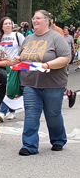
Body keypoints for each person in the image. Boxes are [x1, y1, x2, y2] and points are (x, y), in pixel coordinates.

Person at [13, 10, 71, 156]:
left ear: (47, 21)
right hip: (30, 83)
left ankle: (58, 139)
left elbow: (65, 58)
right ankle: (29, 145)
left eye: (38, 18)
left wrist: (47, 65)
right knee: (31, 115)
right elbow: (23, 56)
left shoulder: (56, 37)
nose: (34, 20)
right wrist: (18, 60)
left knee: (53, 115)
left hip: (53, 84)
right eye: (33, 18)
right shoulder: (28, 38)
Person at [0, 17, 25, 121]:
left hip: (14, 66)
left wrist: (19, 57)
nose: (7, 25)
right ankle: (11, 110)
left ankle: (2, 112)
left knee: (9, 88)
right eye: (5, 23)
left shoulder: (18, 36)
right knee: (5, 89)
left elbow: (25, 47)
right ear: (1, 26)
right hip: (2, 65)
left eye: (9, 23)